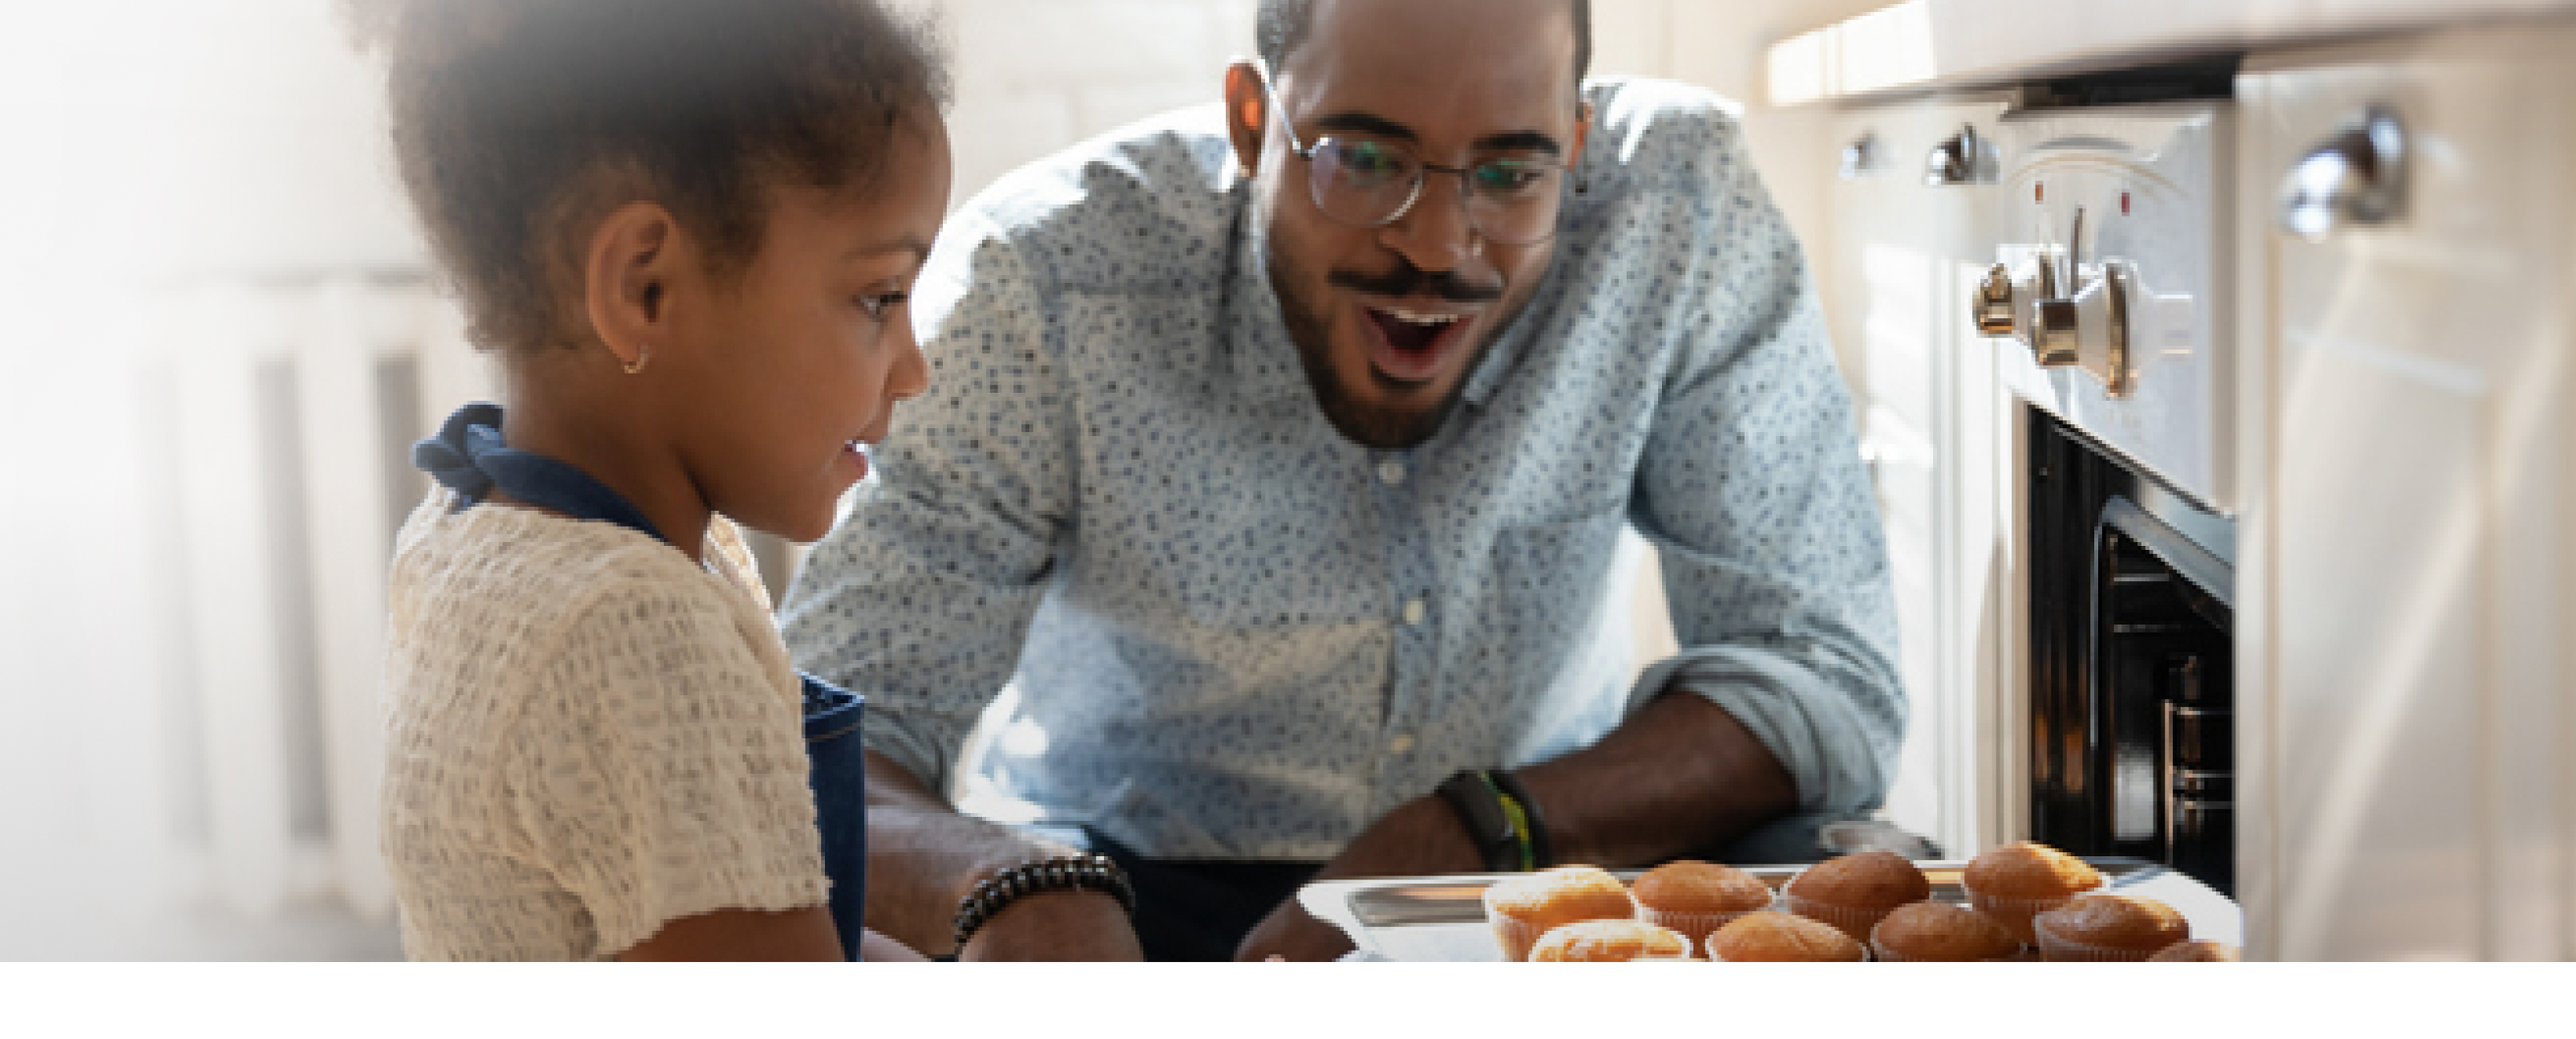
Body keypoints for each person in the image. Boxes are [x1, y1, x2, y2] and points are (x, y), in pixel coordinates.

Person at [777, 0, 1903, 963]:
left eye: (1511, 172)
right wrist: (1009, 888)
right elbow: (809, 753)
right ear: (1252, 119)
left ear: (1576, 139)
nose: (1438, 246)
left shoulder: (1682, 210)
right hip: (1121, 903)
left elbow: (1824, 676)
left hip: (1535, 873)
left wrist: (1479, 827)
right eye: (1365, 158)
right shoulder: (1044, 283)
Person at [362, 0, 952, 960]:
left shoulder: (475, 528)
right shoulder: (633, 631)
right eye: (878, 298)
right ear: (646, 287)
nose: (913, 366)